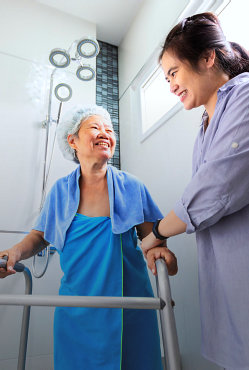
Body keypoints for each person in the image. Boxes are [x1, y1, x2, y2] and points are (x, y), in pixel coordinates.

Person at [0, 105, 177, 370]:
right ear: (72, 140)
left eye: (109, 130)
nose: (105, 133)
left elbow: (153, 240)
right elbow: (40, 236)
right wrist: (14, 252)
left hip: (129, 306)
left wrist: (159, 254)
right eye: (95, 127)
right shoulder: (60, 190)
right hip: (77, 307)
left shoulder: (132, 186)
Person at [141, 12, 249, 370]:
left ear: (207, 58)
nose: (170, 85)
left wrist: (155, 234)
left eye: (173, 72)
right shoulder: (205, 124)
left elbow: (217, 185)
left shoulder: (245, 95)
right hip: (229, 277)